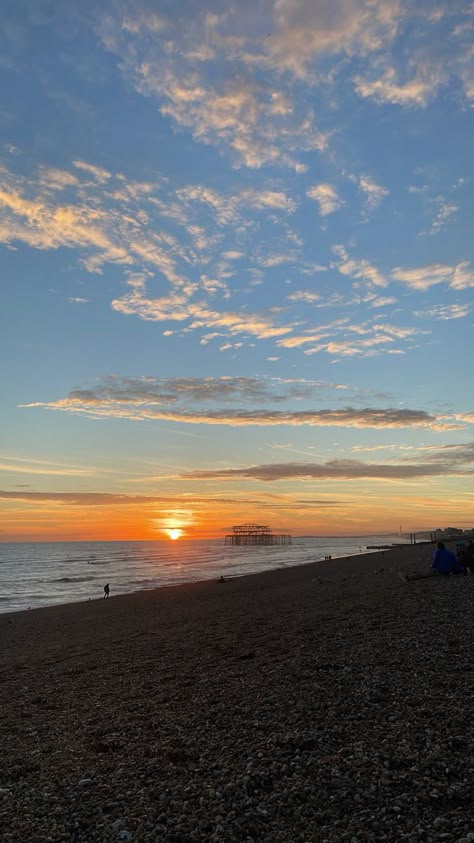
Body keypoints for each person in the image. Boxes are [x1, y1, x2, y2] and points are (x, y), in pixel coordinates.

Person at [399, 541, 465, 583]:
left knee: (426, 574)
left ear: (438, 547)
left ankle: (409, 578)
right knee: (427, 573)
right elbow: (455, 562)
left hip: (442, 571)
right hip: (448, 570)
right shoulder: (450, 553)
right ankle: (410, 577)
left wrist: (431, 567)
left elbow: (435, 561)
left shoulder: (438, 552)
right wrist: (461, 569)